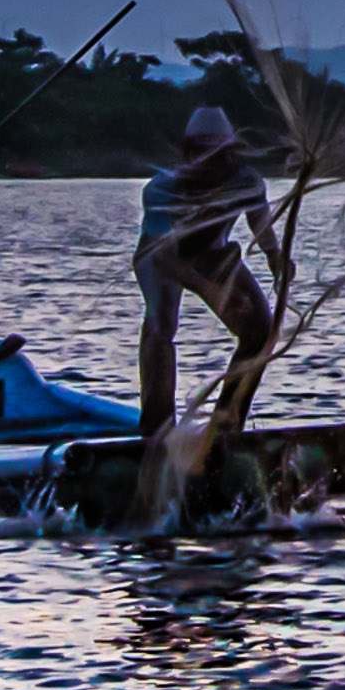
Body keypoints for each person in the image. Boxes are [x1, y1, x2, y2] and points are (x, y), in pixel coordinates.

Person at [134, 106, 275, 441]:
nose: (212, 165)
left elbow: (259, 217)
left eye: (220, 156)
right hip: (163, 257)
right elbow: (166, 258)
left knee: (260, 329)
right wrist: (210, 291)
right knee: (160, 327)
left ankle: (227, 422)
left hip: (213, 254)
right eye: (202, 155)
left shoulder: (245, 180)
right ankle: (156, 427)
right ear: (188, 154)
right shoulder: (163, 189)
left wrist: (275, 255)